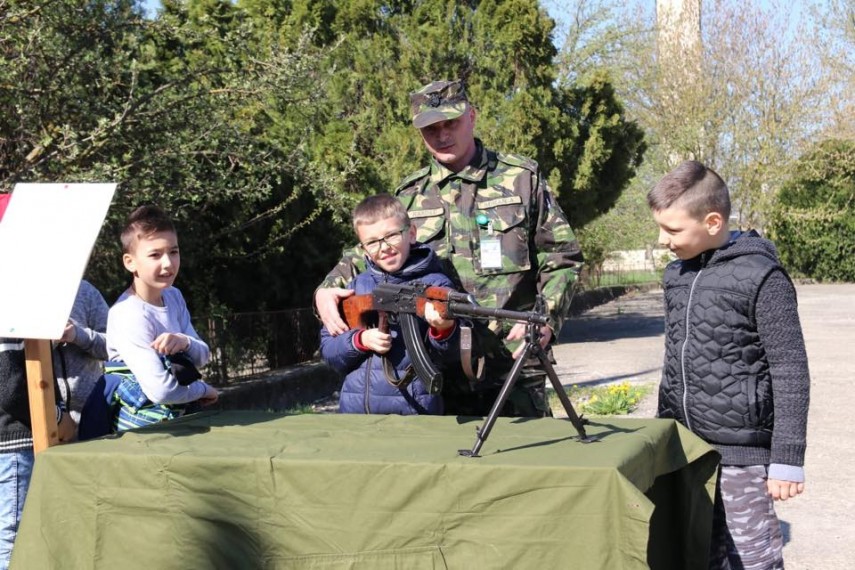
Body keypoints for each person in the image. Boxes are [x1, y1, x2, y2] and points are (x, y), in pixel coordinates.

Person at [315, 79, 583, 417]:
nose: (442, 135)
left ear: (471, 116)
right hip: (439, 370)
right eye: (431, 129)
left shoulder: (521, 179)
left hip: (511, 361)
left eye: (450, 123)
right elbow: (370, 248)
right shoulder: (410, 195)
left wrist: (546, 318)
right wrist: (326, 289)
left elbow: (562, 256)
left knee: (524, 452)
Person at [647, 160, 810, 569]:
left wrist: (787, 459)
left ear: (713, 222)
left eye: (672, 230)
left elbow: (790, 369)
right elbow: (676, 359)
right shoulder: (676, 275)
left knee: (751, 558)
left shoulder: (762, 277)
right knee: (697, 552)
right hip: (686, 447)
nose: (662, 240)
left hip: (743, 455)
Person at [320, 194, 459, 415]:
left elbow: (452, 356)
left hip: (415, 412)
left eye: (392, 235)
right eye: (372, 242)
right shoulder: (355, 287)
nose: (384, 247)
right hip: (356, 413)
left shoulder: (436, 284)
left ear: (411, 233)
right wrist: (360, 340)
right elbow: (330, 352)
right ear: (363, 249)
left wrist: (443, 329)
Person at [106, 205, 218, 432]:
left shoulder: (173, 296)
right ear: (130, 262)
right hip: (145, 431)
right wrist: (204, 390)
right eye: (155, 255)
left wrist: (184, 341)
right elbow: (161, 391)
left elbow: (202, 355)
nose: (168, 263)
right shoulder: (128, 313)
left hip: (179, 421)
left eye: (173, 252)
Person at [53, 279, 109, 427]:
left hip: (93, 410)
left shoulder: (85, 291)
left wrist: (77, 335)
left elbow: (114, 347)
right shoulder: (17, 294)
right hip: (43, 417)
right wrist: (47, 342)